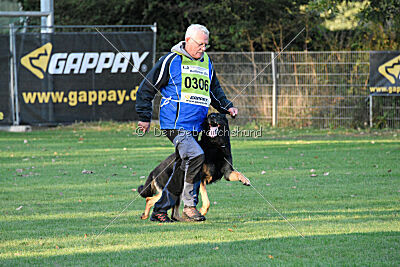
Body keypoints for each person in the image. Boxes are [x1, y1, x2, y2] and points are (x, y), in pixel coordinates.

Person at [136, 24, 238, 223]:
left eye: (206, 45)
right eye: (200, 44)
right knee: (196, 155)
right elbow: (146, 88)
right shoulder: (171, 60)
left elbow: (214, 91)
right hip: (175, 124)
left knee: (183, 166)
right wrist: (144, 117)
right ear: (188, 40)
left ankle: (160, 210)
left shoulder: (206, 62)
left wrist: (227, 107)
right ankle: (189, 207)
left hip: (197, 127)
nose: (203, 48)